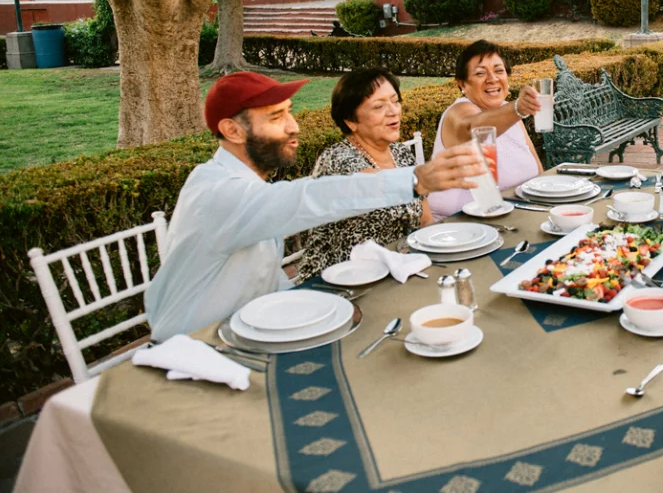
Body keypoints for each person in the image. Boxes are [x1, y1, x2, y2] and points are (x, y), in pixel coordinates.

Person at [145, 72, 485, 341]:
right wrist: (414, 181)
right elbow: (308, 197)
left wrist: (313, 305)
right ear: (232, 130)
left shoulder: (247, 187)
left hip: (246, 335)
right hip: (192, 349)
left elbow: (262, 279)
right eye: (276, 117)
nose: (294, 127)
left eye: (289, 113)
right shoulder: (216, 193)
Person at [296, 68, 430, 283]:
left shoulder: (400, 153)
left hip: (395, 273)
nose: (393, 111)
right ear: (351, 121)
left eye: (395, 101)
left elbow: (426, 219)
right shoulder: (338, 161)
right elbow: (377, 185)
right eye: (378, 106)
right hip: (339, 283)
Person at [428, 40, 545, 220]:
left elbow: (538, 173)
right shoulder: (458, 113)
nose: (492, 79)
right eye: (480, 73)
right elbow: (471, 129)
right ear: (462, 84)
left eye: (499, 70)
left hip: (512, 219)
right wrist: (519, 108)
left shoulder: (509, 114)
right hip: (456, 228)